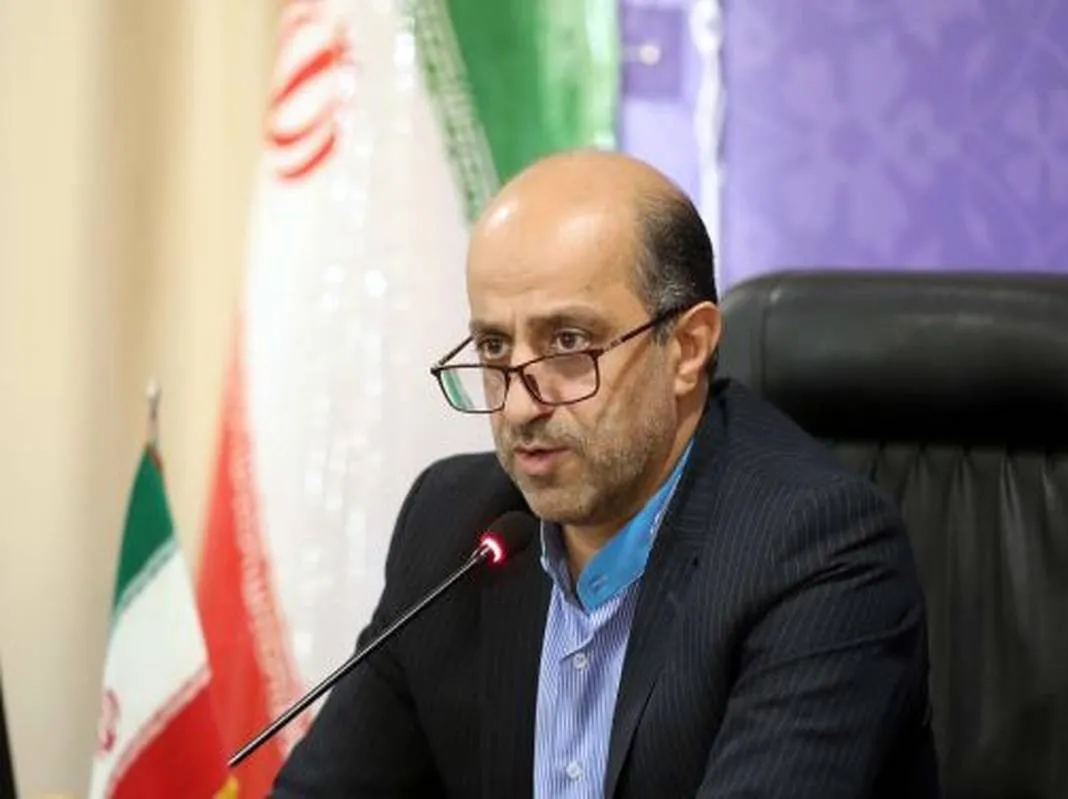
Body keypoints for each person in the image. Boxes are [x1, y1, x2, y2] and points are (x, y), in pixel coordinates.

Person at [272, 151, 940, 797]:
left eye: (567, 342)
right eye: (495, 347)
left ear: (687, 348)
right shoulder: (453, 525)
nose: (521, 405)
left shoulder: (819, 551)